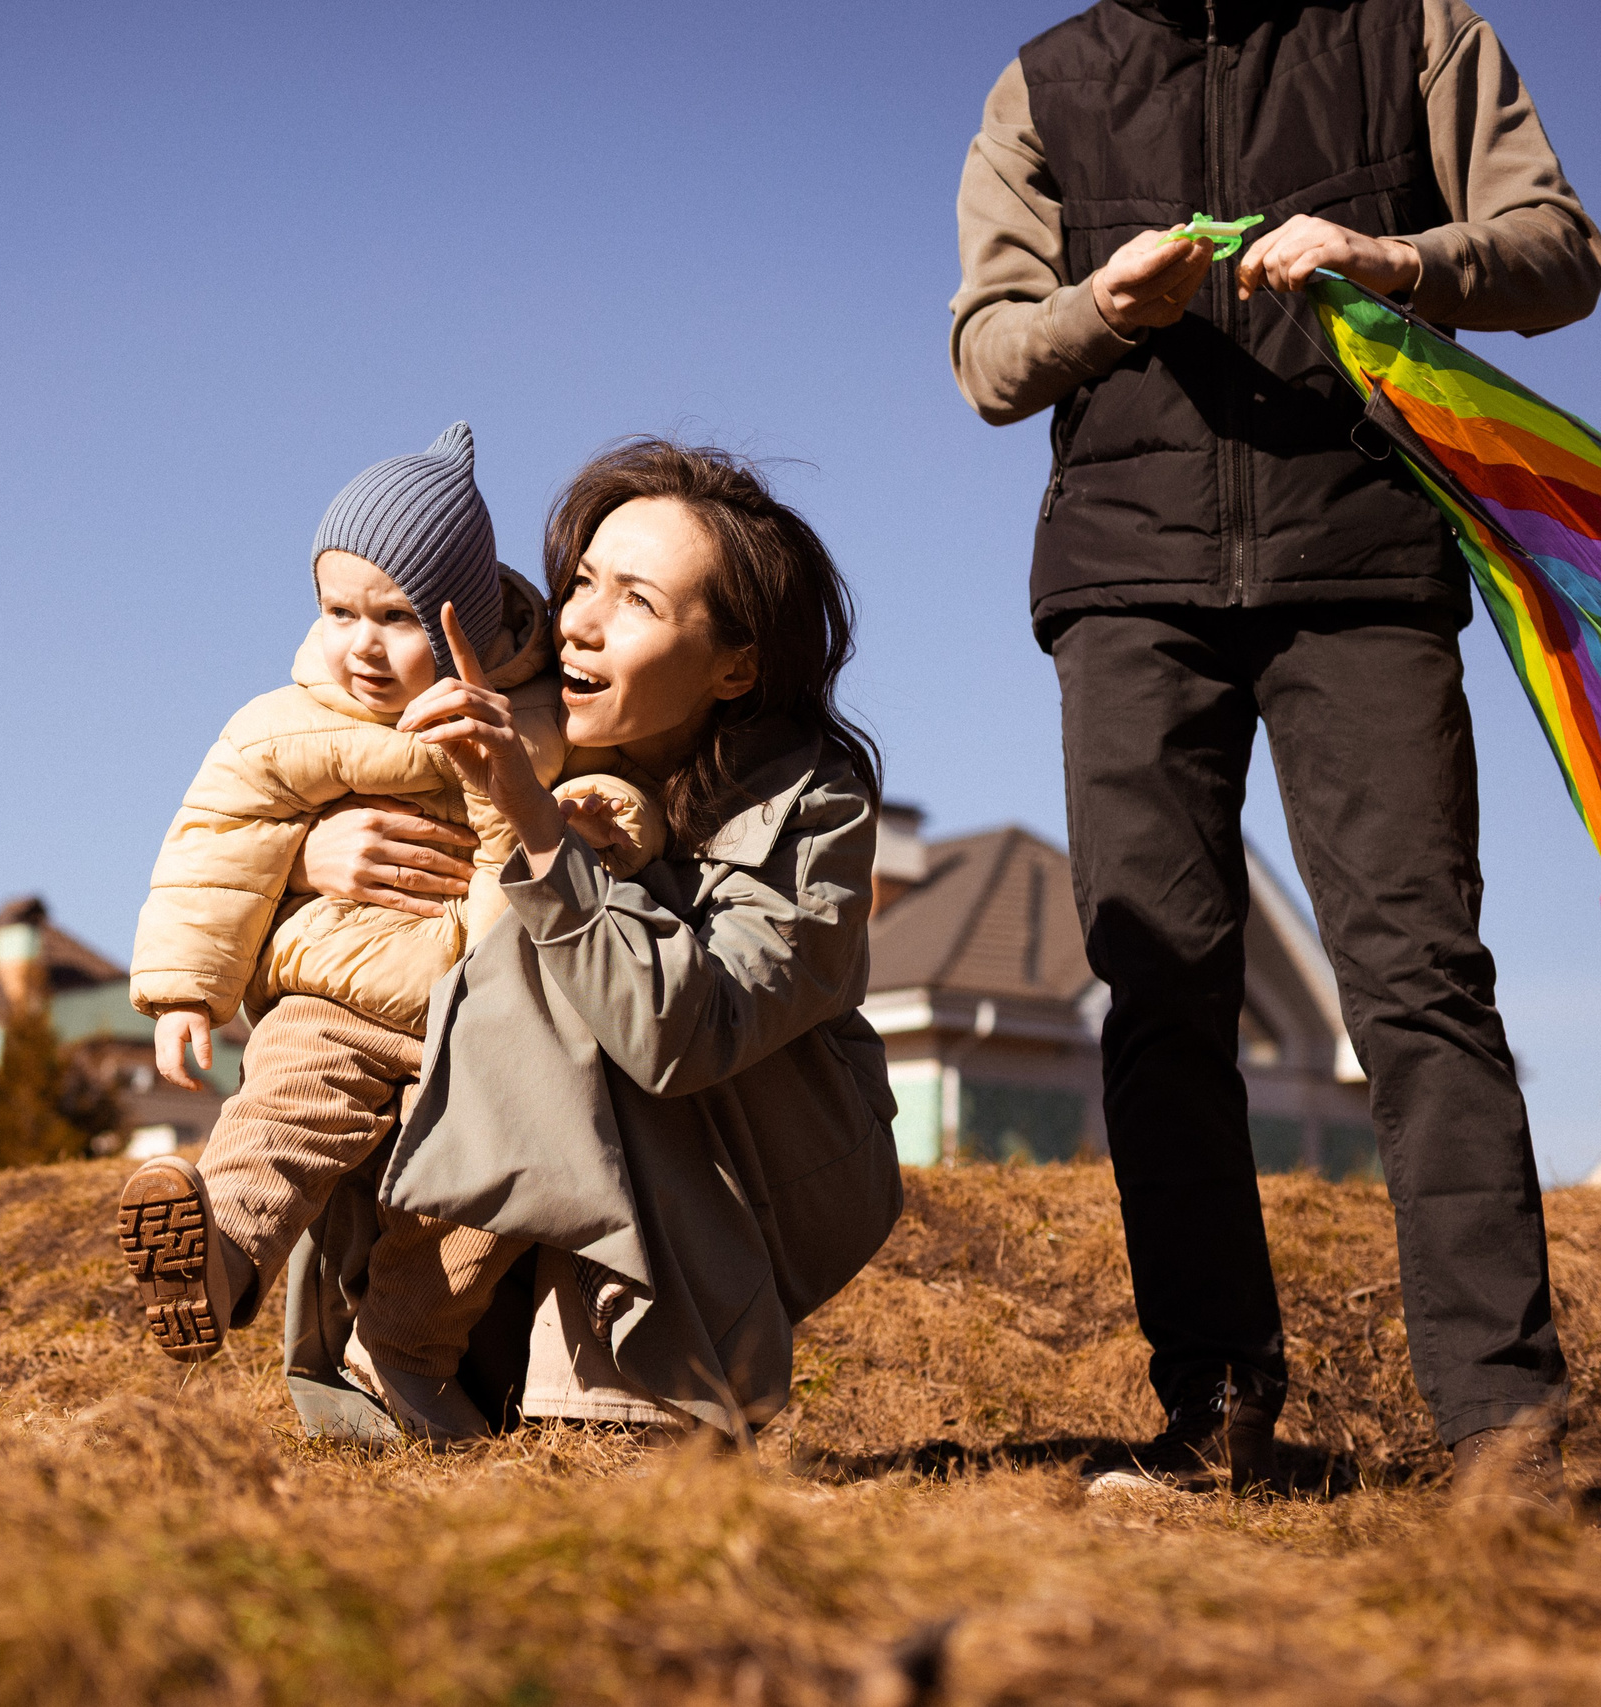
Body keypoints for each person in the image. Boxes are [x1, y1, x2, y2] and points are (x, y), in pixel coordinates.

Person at [950, 0, 1601, 1499]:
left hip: (1365, 573)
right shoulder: (1044, 82)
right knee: (1163, 991)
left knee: (1420, 977)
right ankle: (1216, 1415)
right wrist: (1106, 305)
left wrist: (1396, 261)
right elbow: (987, 358)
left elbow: (1560, 247)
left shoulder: (1425, 34)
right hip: (1126, 588)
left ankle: (1506, 1428)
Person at [286, 439, 905, 1440]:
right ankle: (402, 1343)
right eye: (582, 582)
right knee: (452, 964)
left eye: (638, 603)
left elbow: (687, 1033)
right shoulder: (510, 717)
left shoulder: (812, 807)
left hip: (764, 1171)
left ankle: (600, 1391)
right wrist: (311, 867)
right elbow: (282, 934)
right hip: (518, 1172)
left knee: (547, 938)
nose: (579, 623)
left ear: (737, 667)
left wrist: (535, 826)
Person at [115, 422, 662, 1437]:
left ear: (472, 616)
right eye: (337, 612)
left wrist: (603, 823)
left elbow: (612, 790)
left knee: (468, 1204)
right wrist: (185, 987)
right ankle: (218, 1255)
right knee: (282, 1111)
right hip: (338, 996)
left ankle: (399, 1362)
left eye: (399, 616)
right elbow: (215, 839)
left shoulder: (541, 711)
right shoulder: (286, 723)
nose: (361, 644)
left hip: (484, 1026)